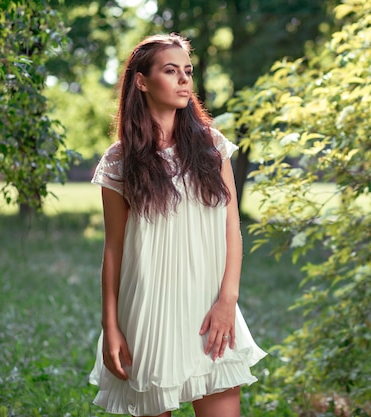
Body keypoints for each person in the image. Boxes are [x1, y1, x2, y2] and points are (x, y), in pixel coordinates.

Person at [88, 33, 266, 417]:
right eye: (171, 71)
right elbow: (114, 249)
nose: (185, 80)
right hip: (149, 311)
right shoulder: (120, 160)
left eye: (187, 71)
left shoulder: (211, 146)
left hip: (209, 309)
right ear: (142, 81)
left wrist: (227, 301)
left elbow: (230, 228)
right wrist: (111, 326)